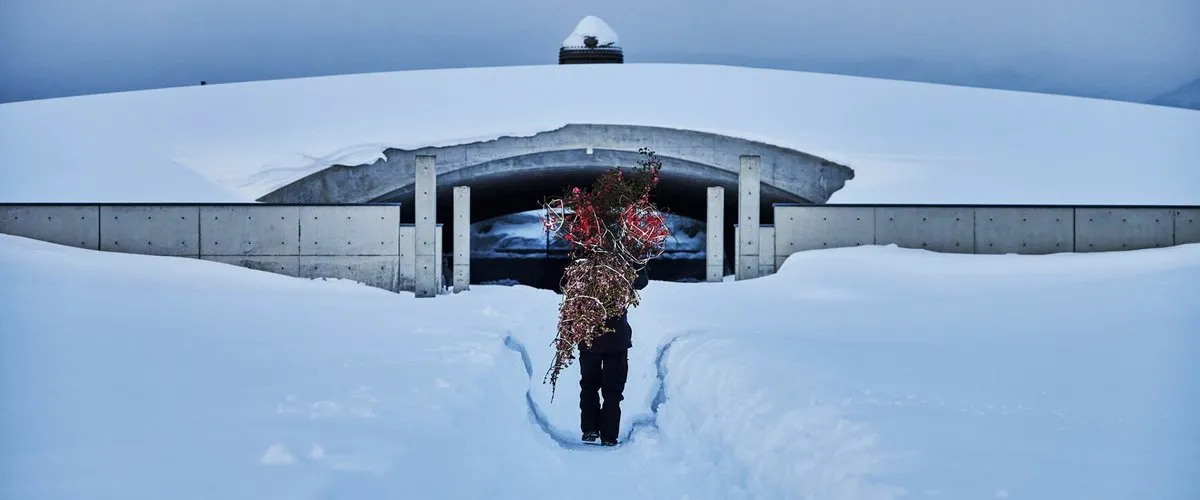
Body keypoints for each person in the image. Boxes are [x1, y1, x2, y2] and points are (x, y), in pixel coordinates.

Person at [579, 264, 650, 446]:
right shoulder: (624, 256)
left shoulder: (583, 254)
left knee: (589, 383)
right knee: (613, 389)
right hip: (615, 337)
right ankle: (608, 435)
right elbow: (641, 281)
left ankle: (590, 429)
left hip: (590, 335)